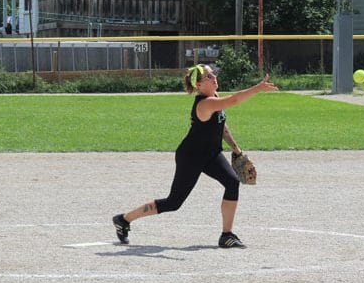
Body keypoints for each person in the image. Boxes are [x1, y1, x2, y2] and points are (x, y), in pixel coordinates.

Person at [112, 64, 278, 248]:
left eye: (213, 74)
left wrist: (236, 149)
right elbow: (234, 100)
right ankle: (124, 219)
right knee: (173, 202)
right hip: (191, 157)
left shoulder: (214, 97)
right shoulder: (205, 104)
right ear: (199, 85)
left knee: (232, 183)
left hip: (211, 154)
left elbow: (222, 126)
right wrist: (258, 88)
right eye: (208, 76)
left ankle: (227, 235)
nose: (214, 78)